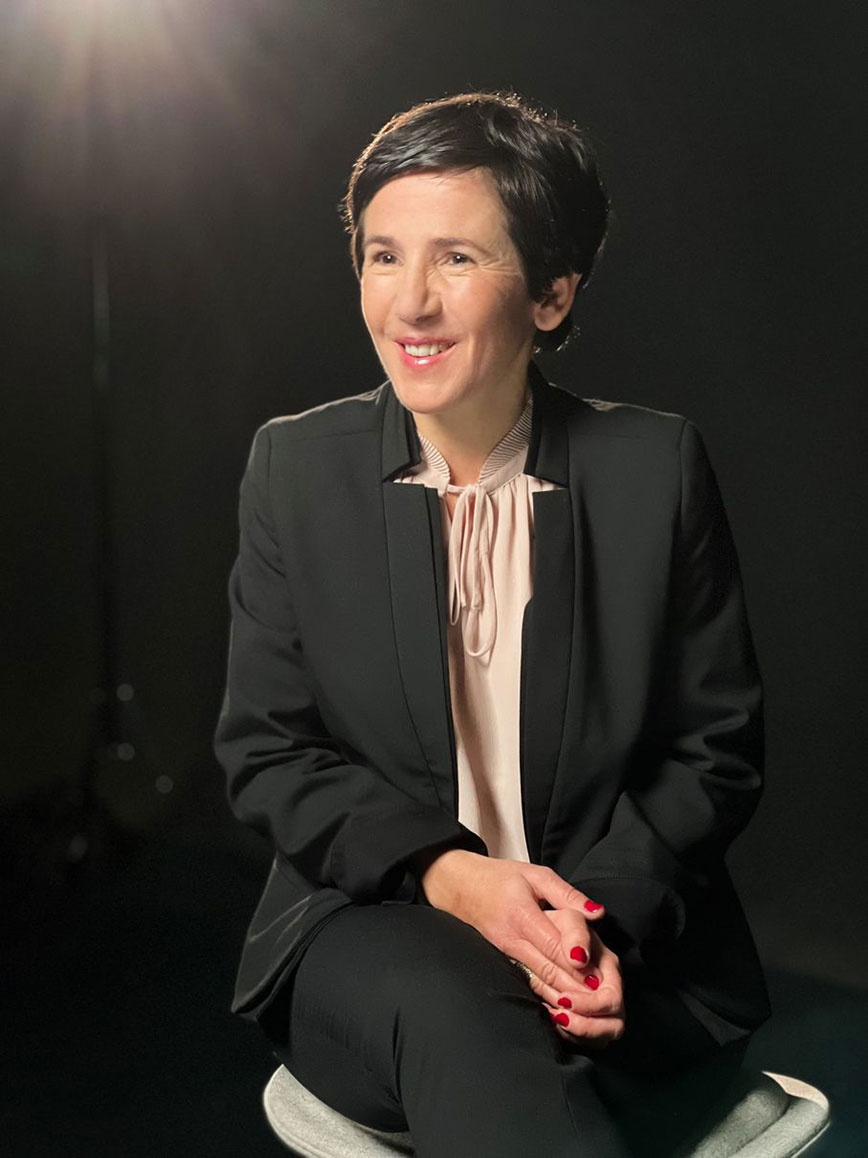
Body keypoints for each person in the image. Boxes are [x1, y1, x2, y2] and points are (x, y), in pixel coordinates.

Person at [213, 91, 770, 1157]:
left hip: (616, 942)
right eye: (384, 257)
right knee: (457, 1006)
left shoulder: (653, 468)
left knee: (505, 1051)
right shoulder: (295, 468)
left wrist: (584, 929)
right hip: (377, 933)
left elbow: (715, 749)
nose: (410, 302)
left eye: (458, 258)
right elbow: (269, 752)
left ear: (552, 294)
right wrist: (458, 880)